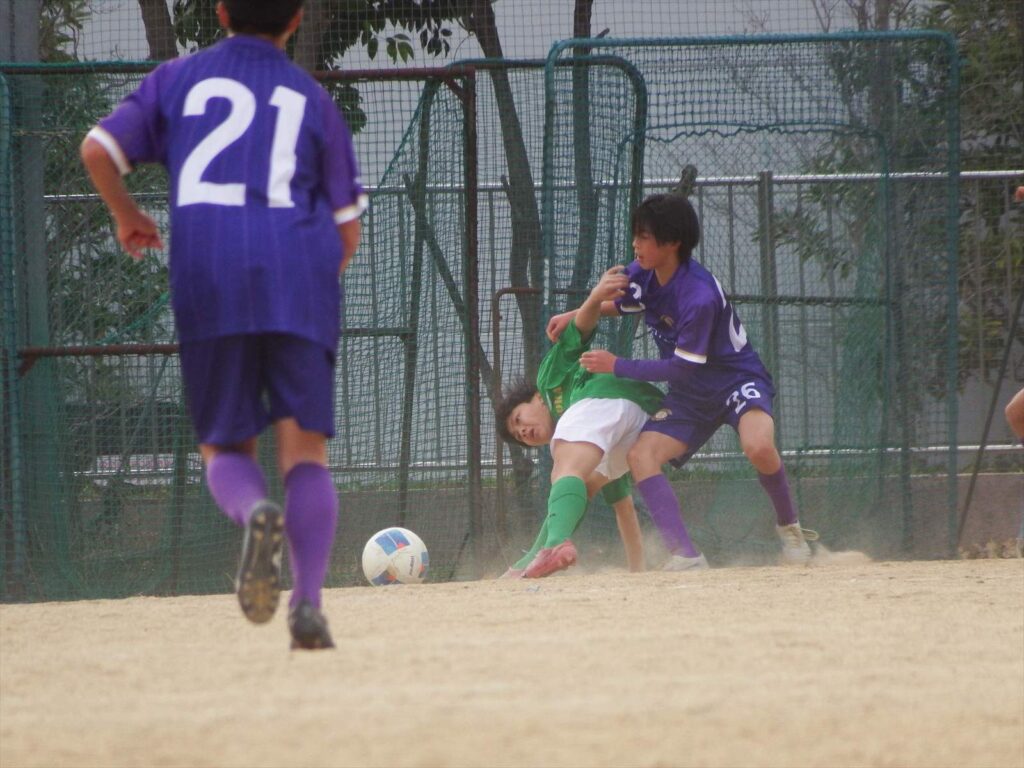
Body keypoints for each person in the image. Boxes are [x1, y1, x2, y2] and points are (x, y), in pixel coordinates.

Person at [80, 0, 367, 649]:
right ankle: (308, 604)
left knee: (226, 448)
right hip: (298, 272)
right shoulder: (311, 98)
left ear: (219, 11)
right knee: (305, 452)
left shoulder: (177, 79)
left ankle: (253, 510)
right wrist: (310, 282)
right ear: (296, 19)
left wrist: (127, 215)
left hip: (208, 272)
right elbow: (347, 230)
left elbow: (96, 149)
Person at [548, 193, 816, 568]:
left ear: (672, 242)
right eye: (635, 235)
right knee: (641, 456)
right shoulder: (643, 272)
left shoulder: (699, 296)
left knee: (757, 446)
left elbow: (680, 369)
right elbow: (624, 304)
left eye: (644, 237)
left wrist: (617, 365)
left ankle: (791, 529)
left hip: (736, 380)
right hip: (691, 395)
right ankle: (687, 556)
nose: (635, 244)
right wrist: (577, 312)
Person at [495, 267, 665, 578]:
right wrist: (637, 572)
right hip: (646, 421)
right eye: (519, 436)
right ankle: (529, 561)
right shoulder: (589, 442)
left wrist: (595, 298)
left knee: (565, 470)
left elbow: (579, 331)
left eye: (518, 419)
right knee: (583, 483)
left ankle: (553, 547)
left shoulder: (548, 380)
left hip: (609, 395)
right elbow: (624, 509)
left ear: (535, 398)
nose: (523, 431)